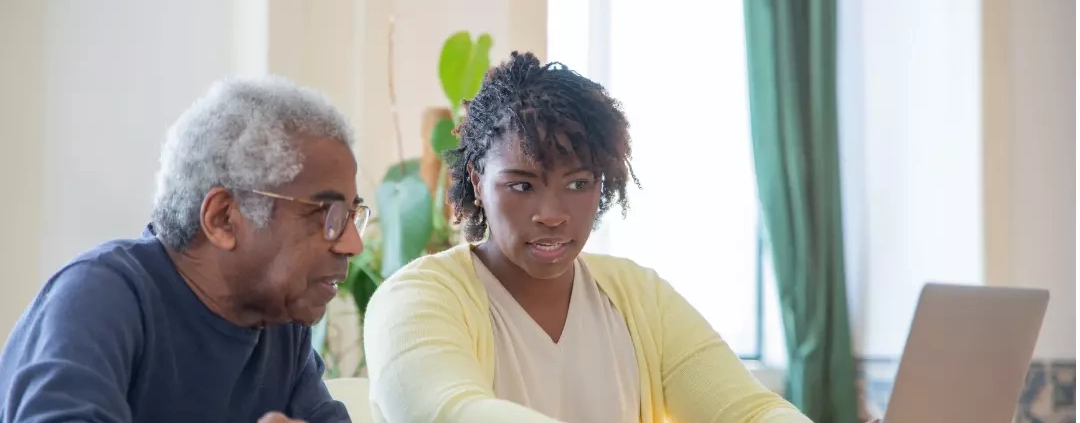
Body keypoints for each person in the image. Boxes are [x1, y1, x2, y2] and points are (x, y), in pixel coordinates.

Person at [362, 51, 814, 423]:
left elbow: (749, 411)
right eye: (522, 185)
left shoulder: (638, 296)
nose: (553, 215)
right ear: (478, 182)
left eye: (578, 184)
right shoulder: (414, 299)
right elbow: (452, 413)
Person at [0, 76, 364, 423]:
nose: (353, 243)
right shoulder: (101, 297)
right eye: (327, 215)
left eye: (352, 216)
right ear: (223, 218)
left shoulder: (282, 329)